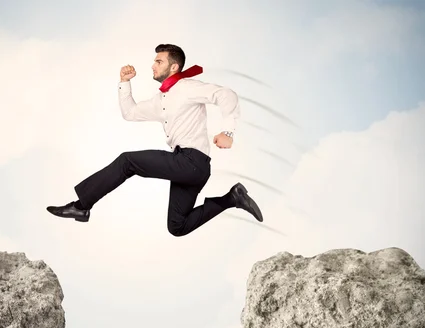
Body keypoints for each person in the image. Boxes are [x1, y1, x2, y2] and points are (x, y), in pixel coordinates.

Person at [47, 43, 263, 236]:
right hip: (190, 168)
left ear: (174, 67)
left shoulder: (188, 87)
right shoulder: (161, 100)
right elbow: (130, 113)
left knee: (127, 161)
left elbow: (227, 95)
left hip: (191, 161)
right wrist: (124, 83)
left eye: (159, 61)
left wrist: (228, 131)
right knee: (177, 227)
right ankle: (232, 198)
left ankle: (82, 205)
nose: (153, 65)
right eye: (154, 61)